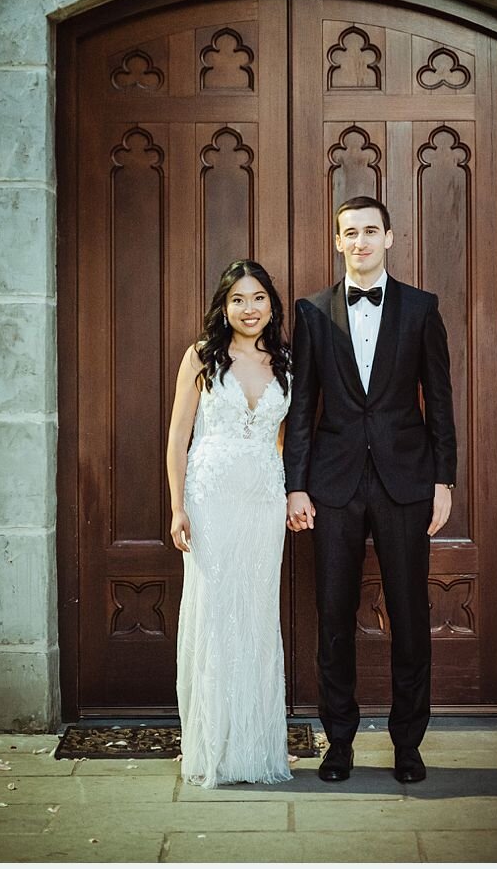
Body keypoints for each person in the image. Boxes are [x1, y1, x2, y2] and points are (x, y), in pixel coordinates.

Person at [284, 196, 456, 784]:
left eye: (370, 232)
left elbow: (440, 400)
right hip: (332, 486)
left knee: (409, 615)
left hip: (406, 483)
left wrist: (443, 481)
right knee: (333, 617)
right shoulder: (311, 313)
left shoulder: (420, 308)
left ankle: (409, 744)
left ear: (390, 237)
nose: (359, 242)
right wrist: (296, 487)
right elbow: (302, 406)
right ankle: (339, 742)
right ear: (337, 242)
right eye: (349, 233)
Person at [167, 258, 295, 787]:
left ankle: (254, 746)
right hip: (211, 499)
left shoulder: (285, 360)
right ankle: (213, 747)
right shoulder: (200, 357)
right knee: (217, 615)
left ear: (272, 304)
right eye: (239, 299)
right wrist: (178, 506)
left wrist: (286, 492)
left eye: (259, 298)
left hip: (263, 499)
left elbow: (285, 438)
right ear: (224, 306)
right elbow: (178, 436)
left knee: (257, 615)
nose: (250, 308)